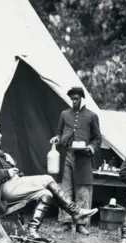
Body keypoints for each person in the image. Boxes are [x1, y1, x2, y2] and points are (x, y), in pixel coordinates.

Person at [0, 120, 98, 239]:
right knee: (47, 178)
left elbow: (0, 166)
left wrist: (7, 159)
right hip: (5, 190)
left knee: (46, 194)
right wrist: (6, 172)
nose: (1, 135)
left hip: (13, 184)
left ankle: (32, 230)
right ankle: (75, 212)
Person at [49, 87, 102, 235]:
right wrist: (57, 138)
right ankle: (66, 222)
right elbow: (59, 133)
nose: (74, 101)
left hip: (84, 158)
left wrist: (91, 147)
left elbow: (97, 138)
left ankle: (80, 224)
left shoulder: (92, 116)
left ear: (82, 99)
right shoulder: (65, 114)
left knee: (82, 191)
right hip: (68, 155)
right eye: (72, 99)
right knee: (65, 190)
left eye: (77, 99)